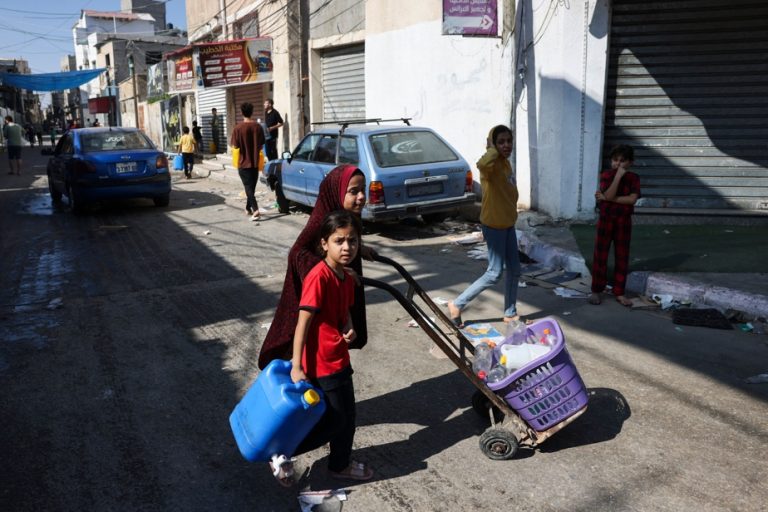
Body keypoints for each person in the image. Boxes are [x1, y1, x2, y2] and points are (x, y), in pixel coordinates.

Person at [269, 209, 373, 486]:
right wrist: (296, 365)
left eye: (352, 240)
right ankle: (283, 453)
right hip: (321, 363)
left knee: (348, 417)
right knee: (334, 421)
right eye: (339, 241)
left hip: (338, 357)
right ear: (324, 244)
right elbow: (302, 322)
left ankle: (340, 465)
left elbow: (344, 310)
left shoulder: (345, 276)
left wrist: (348, 324)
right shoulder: (319, 277)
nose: (347, 247)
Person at [258, 164, 370, 369]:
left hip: (338, 302)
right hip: (321, 302)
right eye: (353, 191)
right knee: (322, 350)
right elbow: (297, 253)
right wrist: (335, 271)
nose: (362, 196)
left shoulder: (347, 218)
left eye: (364, 189)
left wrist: (361, 248)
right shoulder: (324, 220)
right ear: (337, 192)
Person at [447, 125, 520, 327]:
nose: (506, 145)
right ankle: (457, 303)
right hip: (494, 224)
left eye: (509, 141)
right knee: (495, 272)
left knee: (515, 269)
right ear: (493, 145)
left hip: (507, 223)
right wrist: (492, 150)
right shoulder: (491, 166)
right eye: (501, 142)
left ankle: (510, 312)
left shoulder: (505, 164)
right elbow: (481, 163)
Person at [589, 144, 641, 307]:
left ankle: (619, 292)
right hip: (606, 218)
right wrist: (618, 177)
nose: (618, 164)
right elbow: (611, 194)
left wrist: (606, 198)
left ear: (630, 162)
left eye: (622, 161)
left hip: (623, 220)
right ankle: (596, 290)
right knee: (600, 255)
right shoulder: (606, 175)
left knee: (622, 256)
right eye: (615, 160)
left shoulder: (634, 178)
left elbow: (632, 199)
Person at [230, 102, 265, 219]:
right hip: (255, 162)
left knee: (248, 188)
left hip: (243, 163)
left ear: (241, 112)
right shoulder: (258, 127)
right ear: (252, 112)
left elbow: (235, 147)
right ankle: (247, 208)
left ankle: (255, 209)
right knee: (251, 187)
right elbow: (261, 146)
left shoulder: (238, 128)